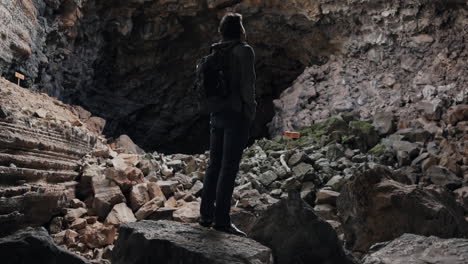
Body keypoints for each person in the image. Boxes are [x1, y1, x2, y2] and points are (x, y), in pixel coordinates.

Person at [199, 12, 257, 236]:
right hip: (235, 115)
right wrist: (250, 113)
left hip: (216, 113)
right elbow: (247, 85)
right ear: (240, 30)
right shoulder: (244, 50)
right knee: (228, 167)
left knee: (214, 165)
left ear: (221, 32)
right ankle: (221, 220)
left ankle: (205, 215)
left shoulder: (215, 51)